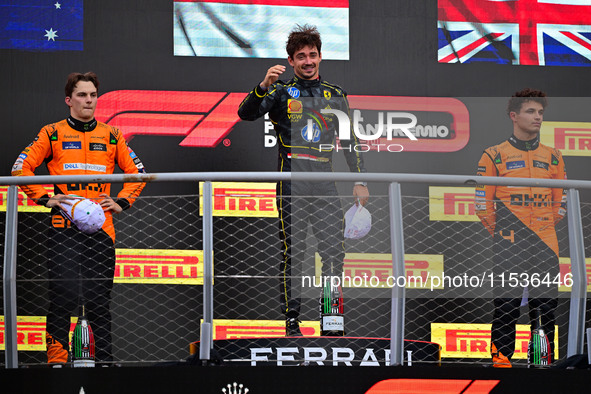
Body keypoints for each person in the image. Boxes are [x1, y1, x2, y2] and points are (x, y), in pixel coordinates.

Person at [237, 24, 369, 336]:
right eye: (301, 57)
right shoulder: (280, 91)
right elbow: (245, 113)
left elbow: (350, 141)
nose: (307, 61)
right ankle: (292, 322)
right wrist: (263, 85)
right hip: (292, 184)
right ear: (291, 61)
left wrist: (360, 179)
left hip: (325, 184)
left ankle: (331, 320)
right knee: (294, 252)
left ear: (320, 57)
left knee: (333, 252)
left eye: (312, 55)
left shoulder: (335, 95)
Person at [11, 72, 146, 366]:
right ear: (69, 100)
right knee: (62, 297)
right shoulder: (52, 132)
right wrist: (45, 197)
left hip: (102, 231)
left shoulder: (111, 135)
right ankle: (57, 361)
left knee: (99, 302)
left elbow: (137, 172)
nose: (89, 101)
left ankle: (105, 362)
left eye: (93, 95)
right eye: (82, 95)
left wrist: (122, 200)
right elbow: (20, 169)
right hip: (64, 229)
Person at [475, 88, 567, 368]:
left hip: (546, 242)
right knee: (506, 304)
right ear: (514, 116)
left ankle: (541, 361)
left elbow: (559, 204)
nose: (537, 117)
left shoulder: (553, 156)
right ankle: (501, 361)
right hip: (509, 242)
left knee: (546, 307)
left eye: (540, 112)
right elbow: (482, 204)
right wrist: (504, 232)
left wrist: (541, 228)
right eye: (531, 111)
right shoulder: (493, 155)